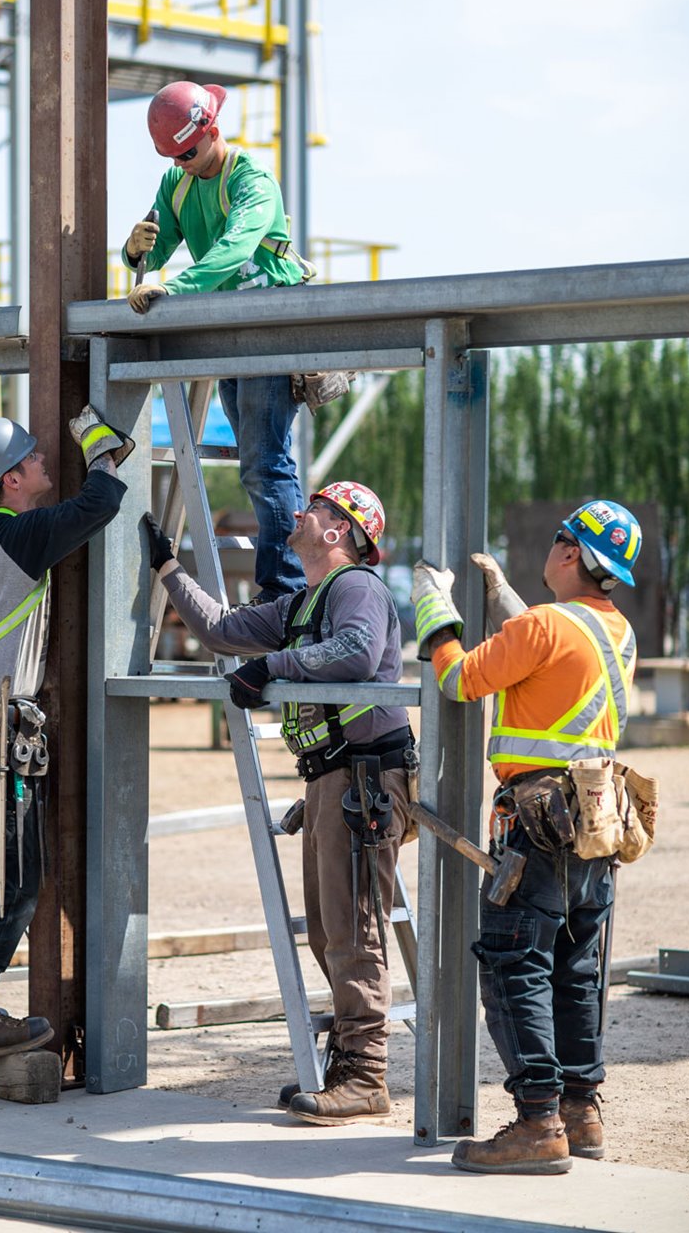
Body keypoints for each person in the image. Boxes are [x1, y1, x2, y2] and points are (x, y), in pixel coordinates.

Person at [144, 480, 417, 1124]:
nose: (300, 513)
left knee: (353, 928)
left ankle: (365, 1074)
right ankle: (353, 1060)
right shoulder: (302, 603)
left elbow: (355, 653)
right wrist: (167, 566)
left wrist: (272, 668)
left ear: (338, 533)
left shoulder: (356, 589)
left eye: (315, 508)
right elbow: (218, 629)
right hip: (335, 780)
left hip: (364, 780)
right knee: (328, 930)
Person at [411, 499, 642, 1174]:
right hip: (594, 818)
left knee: (516, 965)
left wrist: (434, 609)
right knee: (573, 969)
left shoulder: (544, 625)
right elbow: (552, 662)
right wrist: (510, 603)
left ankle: (536, 1123)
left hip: (537, 823)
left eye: (556, 541)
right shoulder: (615, 631)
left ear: (570, 554)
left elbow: (459, 677)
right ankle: (580, 1111)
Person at [0, 407, 131, 1061]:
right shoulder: (19, 535)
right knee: (8, 880)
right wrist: (97, 443)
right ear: (9, 481)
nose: (44, 463)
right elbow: (101, 502)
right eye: (34, 459)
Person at [123, 79, 314, 603]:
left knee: (265, 462)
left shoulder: (251, 181)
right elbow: (153, 255)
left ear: (211, 130)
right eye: (173, 156)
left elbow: (233, 249)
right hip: (229, 334)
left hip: (270, 330)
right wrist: (134, 252)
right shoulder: (177, 183)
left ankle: (284, 591)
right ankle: (281, 587)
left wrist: (174, 286)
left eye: (187, 151)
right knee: (256, 463)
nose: (182, 163)